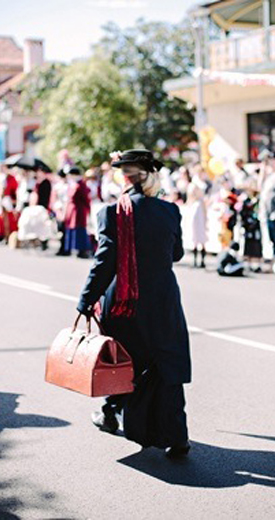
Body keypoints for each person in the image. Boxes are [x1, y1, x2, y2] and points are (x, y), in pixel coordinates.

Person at [76, 149, 191, 459]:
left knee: (124, 363)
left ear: (124, 179)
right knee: (166, 364)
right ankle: (178, 436)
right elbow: (176, 254)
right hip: (164, 299)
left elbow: (105, 263)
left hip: (125, 301)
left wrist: (86, 300)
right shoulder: (170, 211)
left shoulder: (111, 213)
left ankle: (111, 414)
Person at [61, 166, 92, 258]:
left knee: (79, 228)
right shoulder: (74, 184)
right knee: (72, 228)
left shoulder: (81, 185)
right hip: (72, 209)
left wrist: (87, 209)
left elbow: (86, 199)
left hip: (78, 210)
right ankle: (72, 249)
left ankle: (82, 250)